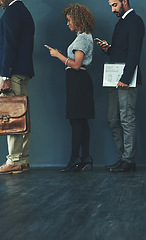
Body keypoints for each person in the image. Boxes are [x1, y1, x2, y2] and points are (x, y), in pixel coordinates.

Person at [45, 4, 95, 172]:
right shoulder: (85, 36)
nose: (68, 24)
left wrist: (58, 55)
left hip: (78, 80)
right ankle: (85, 156)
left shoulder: (82, 38)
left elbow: (76, 64)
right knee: (81, 120)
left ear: (77, 19)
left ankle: (75, 158)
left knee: (76, 120)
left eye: (69, 20)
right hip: (79, 80)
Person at [97, 0, 145, 172]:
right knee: (112, 119)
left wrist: (126, 78)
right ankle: (123, 158)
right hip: (114, 78)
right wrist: (108, 49)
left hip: (126, 79)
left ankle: (129, 161)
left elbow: (134, 51)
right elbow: (121, 51)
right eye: (110, 5)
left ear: (125, 1)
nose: (112, 9)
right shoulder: (121, 22)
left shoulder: (135, 21)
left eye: (115, 4)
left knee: (126, 118)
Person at [0, 0, 34, 174]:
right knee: (23, 116)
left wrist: (5, 75)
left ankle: (13, 160)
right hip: (24, 70)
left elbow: (9, 45)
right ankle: (23, 159)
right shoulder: (24, 10)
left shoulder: (12, 12)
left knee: (12, 118)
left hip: (12, 73)